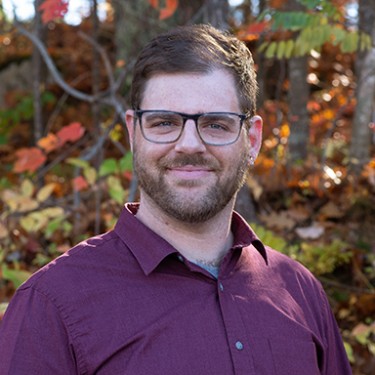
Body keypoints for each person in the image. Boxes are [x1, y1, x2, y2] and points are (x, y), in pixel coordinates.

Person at [0, 24, 351, 375]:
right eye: (165, 122)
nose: (189, 145)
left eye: (216, 124)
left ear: (253, 140)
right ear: (134, 133)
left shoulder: (300, 291)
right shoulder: (52, 305)